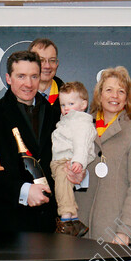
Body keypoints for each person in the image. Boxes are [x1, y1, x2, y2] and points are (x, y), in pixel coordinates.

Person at [0, 50, 60, 233]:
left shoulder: (56, 114)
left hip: (50, 224)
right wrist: (23, 191)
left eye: (33, 76)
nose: (28, 84)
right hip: (9, 225)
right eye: (21, 76)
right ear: (8, 78)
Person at [74, 66, 131, 246]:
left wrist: (125, 230)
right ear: (99, 95)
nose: (114, 96)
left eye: (121, 91)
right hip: (78, 230)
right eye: (109, 90)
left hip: (115, 234)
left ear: (127, 98)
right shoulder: (80, 127)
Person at [50, 81, 96, 236]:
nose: (66, 108)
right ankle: (75, 220)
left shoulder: (80, 122)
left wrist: (78, 162)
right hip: (60, 160)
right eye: (63, 105)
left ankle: (65, 220)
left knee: (62, 188)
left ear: (84, 104)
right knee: (63, 189)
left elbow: (81, 144)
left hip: (67, 160)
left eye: (71, 103)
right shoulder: (66, 121)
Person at [28, 38, 63, 106]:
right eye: (41, 60)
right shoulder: (16, 99)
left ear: (57, 64)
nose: (47, 66)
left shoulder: (69, 99)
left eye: (52, 60)